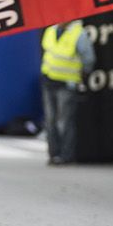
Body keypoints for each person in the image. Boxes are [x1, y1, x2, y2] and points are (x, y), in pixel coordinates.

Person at [41, 18, 95, 165]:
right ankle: (53, 154)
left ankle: (66, 156)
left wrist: (82, 76)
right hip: (48, 81)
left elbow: (88, 59)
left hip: (66, 83)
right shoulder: (51, 30)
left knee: (64, 122)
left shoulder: (78, 33)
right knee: (50, 121)